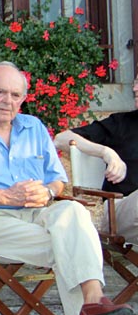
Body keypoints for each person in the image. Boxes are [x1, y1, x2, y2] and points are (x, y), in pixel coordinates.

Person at [0, 61, 133, 315]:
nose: (7, 101)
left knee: (73, 210)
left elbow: (57, 180)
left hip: (37, 215)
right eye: (0, 92)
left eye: (15, 95)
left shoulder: (34, 128)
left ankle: (92, 299)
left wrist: (49, 193)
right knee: (71, 245)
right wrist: (6, 196)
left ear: (23, 99)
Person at [54, 75, 138, 242]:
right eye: (135, 82)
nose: (135, 88)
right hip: (120, 212)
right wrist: (107, 152)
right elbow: (61, 139)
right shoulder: (120, 123)